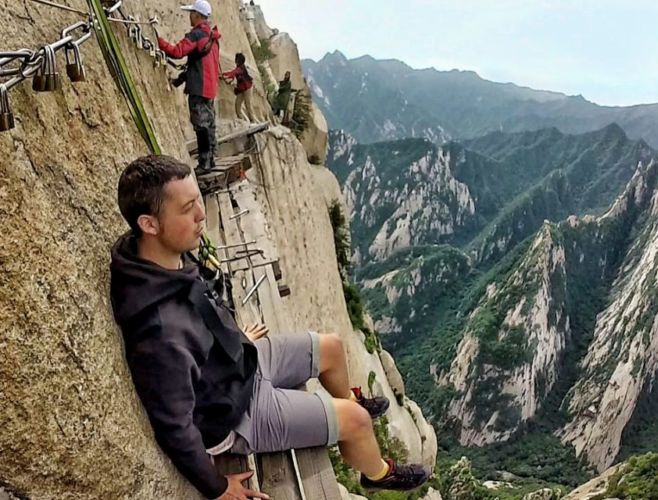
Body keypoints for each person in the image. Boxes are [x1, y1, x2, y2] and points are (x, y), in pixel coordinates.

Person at [110, 155, 431, 499]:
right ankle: (377, 472)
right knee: (357, 422)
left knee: (332, 346)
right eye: (188, 208)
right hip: (237, 413)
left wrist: (232, 339)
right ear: (149, 224)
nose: (201, 216)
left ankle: (342, 408)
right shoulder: (159, 330)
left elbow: (200, 309)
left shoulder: (157, 258)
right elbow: (174, 426)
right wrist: (217, 488)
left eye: (198, 203)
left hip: (238, 361)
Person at [157, 0, 221, 174]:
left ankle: (204, 163)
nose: (189, 17)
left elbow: (177, 52)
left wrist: (159, 41)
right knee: (209, 124)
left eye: (191, 13)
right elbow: (203, 63)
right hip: (210, 87)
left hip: (199, 87)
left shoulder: (196, 35)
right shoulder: (212, 38)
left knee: (200, 125)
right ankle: (212, 159)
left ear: (197, 15)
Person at [222, 53, 255, 122]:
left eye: (236, 59)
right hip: (241, 89)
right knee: (237, 104)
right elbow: (233, 74)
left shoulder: (241, 68)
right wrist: (224, 75)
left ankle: (253, 121)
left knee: (248, 104)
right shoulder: (238, 68)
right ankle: (241, 119)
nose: (235, 60)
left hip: (248, 88)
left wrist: (224, 75)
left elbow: (233, 73)